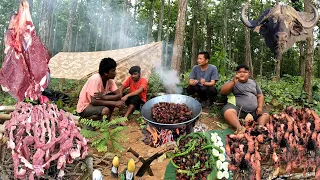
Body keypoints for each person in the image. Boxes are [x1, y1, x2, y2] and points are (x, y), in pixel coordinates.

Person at [220, 64, 269, 134]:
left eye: (245, 72)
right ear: (236, 74)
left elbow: (260, 95)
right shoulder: (233, 81)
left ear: (249, 73)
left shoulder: (253, 82)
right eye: (239, 72)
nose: (242, 74)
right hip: (238, 108)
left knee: (266, 114)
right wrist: (233, 82)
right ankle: (239, 128)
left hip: (254, 110)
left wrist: (260, 107)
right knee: (228, 112)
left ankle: (260, 127)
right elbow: (222, 91)